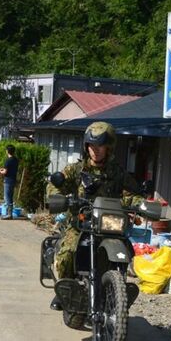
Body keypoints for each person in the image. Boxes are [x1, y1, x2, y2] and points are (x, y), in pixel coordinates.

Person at [47, 121, 143, 309]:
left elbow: (135, 194)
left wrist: (140, 204)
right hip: (80, 224)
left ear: (109, 147)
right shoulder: (76, 170)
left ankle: (117, 288)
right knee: (67, 254)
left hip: (110, 227)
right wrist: (58, 198)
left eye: (100, 146)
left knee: (127, 252)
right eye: (91, 145)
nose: (95, 150)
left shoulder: (118, 172)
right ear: (86, 146)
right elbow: (56, 185)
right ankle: (64, 291)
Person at [0, 144, 19, 220]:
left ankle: (9, 214)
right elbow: (8, 168)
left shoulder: (8, 160)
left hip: (8, 180)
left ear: (7, 151)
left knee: (7, 197)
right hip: (13, 179)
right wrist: (2, 169)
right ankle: (10, 213)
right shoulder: (15, 159)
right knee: (10, 196)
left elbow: (5, 171)